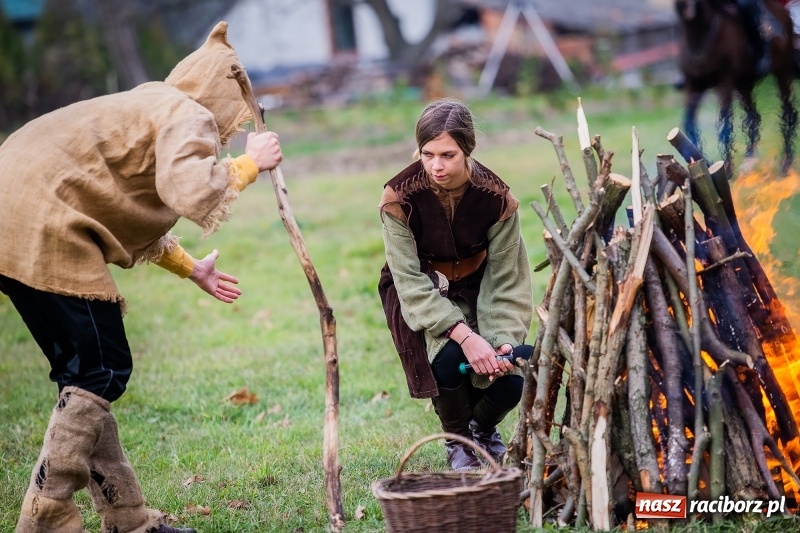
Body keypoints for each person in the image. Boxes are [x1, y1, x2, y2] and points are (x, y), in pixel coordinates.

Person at [0, 22, 282, 533]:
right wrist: (248, 163)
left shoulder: (151, 103)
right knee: (99, 371)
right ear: (219, 97)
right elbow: (191, 191)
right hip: (42, 223)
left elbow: (125, 196)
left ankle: (127, 517)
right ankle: (45, 512)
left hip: (13, 218)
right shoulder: (187, 112)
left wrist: (191, 268)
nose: (227, 131)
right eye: (234, 121)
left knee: (85, 377)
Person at [377, 99, 533, 471]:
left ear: (468, 150)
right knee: (449, 358)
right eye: (427, 154)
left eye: (448, 154)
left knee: (510, 378)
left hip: (482, 288)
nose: (436, 166)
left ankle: (481, 430)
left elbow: (508, 279)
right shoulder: (398, 198)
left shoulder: (497, 200)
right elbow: (409, 280)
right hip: (421, 291)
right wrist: (465, 336)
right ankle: (457, 441)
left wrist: (504, 339)